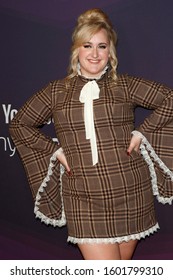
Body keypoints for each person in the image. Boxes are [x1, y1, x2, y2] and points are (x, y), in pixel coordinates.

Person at [9, 8, 173, 260]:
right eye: (88, 46)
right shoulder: (56, 91)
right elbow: (19, 125)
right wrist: (54, 151)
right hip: (83, 198)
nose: (95, 54)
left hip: (131, 192)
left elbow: (170, 99)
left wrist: (143, 133)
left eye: (102, 46)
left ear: (111, 52)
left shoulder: (125, 84)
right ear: (77, 50)